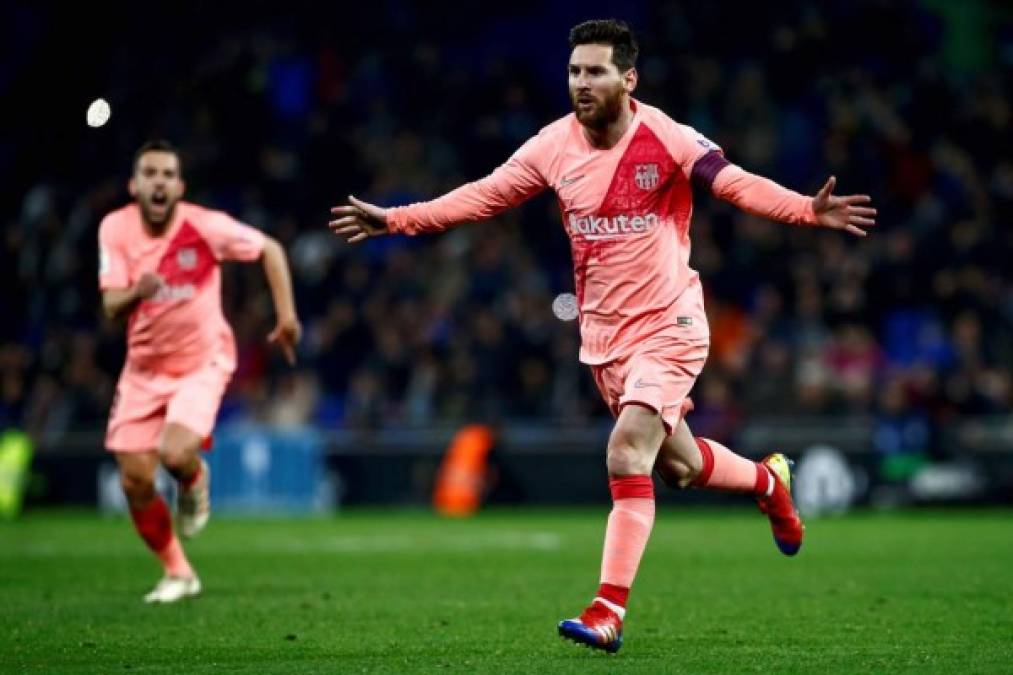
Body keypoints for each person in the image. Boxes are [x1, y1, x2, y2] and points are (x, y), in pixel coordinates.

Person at [329, 19, 875, 652]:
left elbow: (735, 183)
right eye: (573, 72)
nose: (580, 83)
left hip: (671, 324)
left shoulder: (666, 136)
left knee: (624, 455)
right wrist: (395, 219)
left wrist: (805, 209)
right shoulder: (552, 147)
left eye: (595, 71)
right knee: (678, 466)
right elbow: (480, 197)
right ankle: (768, 482)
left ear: (628, 78)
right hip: (605, 340)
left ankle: (607, 609)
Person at [98, 140, 302, 603]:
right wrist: (138, 291)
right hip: (143, 368)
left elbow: (269, 249)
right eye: (149, 173)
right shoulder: (115, 228)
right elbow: (111, 304)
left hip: (201, 361)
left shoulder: (204, 226)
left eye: (168, 174)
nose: (159, 181)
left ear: (180, 186)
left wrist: (286, 317)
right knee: (134, 479)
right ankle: (178, 572)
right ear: (134, 184)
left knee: (174, 453)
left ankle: (194, 479)